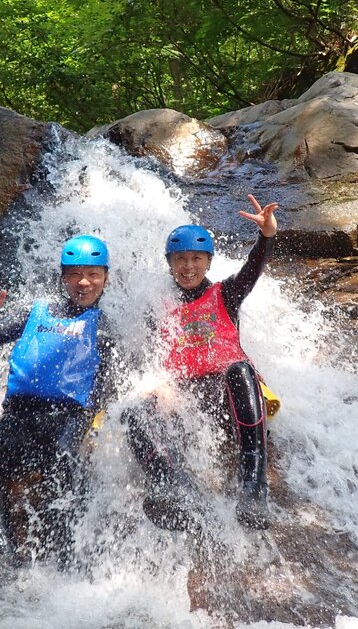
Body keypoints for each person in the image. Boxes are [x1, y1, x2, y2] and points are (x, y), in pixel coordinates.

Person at [125, 195, 278, 531]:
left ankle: (254, 486)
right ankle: (176, 488)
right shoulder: (158, 306)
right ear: (170, 263)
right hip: (189, 402)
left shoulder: (226, 293)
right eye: (180, 259)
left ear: (209, 261)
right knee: (133, 412)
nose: (188, 267)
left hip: (233, 395)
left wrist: (265, 237)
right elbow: (154, 359)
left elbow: (253, 270)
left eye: (196, 258)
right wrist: (158, 387)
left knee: (239, 369)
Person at [0, 234, 118, 563]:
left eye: (93, 274)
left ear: (106, 278)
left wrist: (93, 428)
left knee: (64, 457)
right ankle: (2, 552)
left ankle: (64, 559)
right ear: (63, 278)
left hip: (69, 419)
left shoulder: (106, 327)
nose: (84, 282)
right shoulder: (38, 312)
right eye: (75, 274)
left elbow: (107, 389)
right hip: (21, 418)